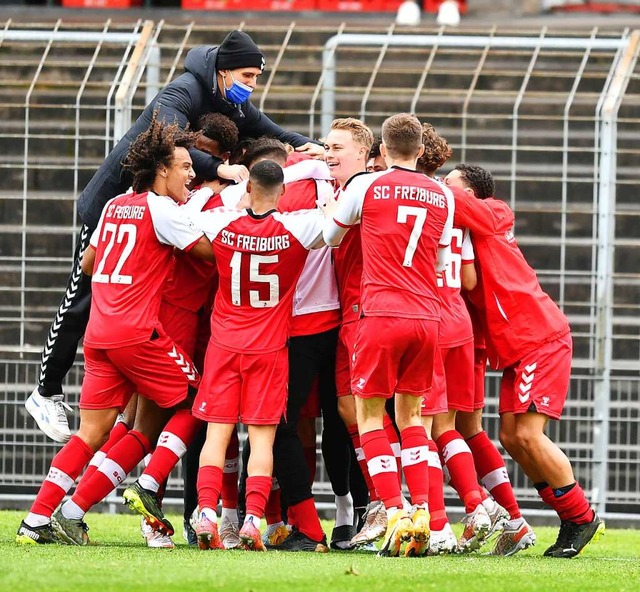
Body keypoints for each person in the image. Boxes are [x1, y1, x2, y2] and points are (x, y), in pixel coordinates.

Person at [26, 29, 323, 444]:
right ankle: (45, 391)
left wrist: (310, 147)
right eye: (246, 76)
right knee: (83, 296)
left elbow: (270, 128)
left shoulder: (231, 104)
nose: (251, 85)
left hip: (155, 214)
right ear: (221, 71)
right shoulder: (183, 89)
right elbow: (166, 141)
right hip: (114, 203)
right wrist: (218, 170)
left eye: (256, 78)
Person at [16, 116, 212, 545]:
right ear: (161, 169)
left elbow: (88, 263)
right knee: (202, 401)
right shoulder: (162, 210)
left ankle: (40, 519)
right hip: (139, 333)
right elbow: (209, 252)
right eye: (184, 166)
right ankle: (147, 484)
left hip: (100, 335)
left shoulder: (116, 203)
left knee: (92, 433)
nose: (192, 173)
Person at [444, 163, 605, 559]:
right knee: (512, 437)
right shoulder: (465, 228)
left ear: (472, 191)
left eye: (449, 183)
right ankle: (571, 516)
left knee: (529, 435)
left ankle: (580, 517)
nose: (440, 188)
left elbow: (461, 207)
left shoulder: (495, 211)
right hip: (517, 348)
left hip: (538, 338)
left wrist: (414, 183)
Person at [322, 113, 454, 558]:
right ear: (421, 151)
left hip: (379, 313)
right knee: (414, 419)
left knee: (370, 417)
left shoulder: (365, 185)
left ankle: (395, 514)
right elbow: (438, 263)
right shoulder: (442, 194)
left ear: (380, 151)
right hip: (426, 317)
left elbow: (331, 236)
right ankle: (427, 519)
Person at [188, 160, 326, 551]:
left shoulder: (220, 223)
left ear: (250, 189)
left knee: (217, 435)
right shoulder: (297, 226)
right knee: (262, 441)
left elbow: (188, 215)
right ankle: (252, 520)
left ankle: (207, 514)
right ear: (282, 192)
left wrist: (229, 187)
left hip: (224, 345)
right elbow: (338, 219)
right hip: (269, 348)